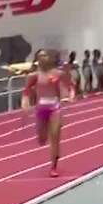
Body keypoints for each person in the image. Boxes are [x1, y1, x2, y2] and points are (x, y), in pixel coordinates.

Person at [22, 50, 74, 178]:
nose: (43, 58)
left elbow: (70, 85)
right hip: (41, 109)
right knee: (42, 139)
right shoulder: (34, 76)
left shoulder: (58, 73)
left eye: (45, 55)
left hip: (54, 107)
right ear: (37, 59)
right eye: (40, 56)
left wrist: (70, 95)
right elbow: (26, 91)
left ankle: (53, 167)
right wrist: (25, 103)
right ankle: (42, 136)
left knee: (55, 136)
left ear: (49, 58)